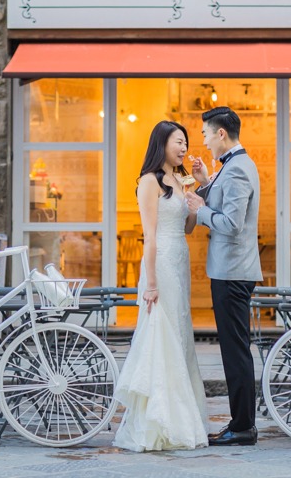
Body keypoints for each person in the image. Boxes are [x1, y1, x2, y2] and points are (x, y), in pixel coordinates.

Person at [114, 121, 209, 451]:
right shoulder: (149, 181)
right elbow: (150, 236)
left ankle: (182, 417)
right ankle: (158, 420)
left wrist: (196, 192)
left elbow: (188, 228)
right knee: (161, 334)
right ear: (161, 143)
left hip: (179, 259)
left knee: (180, 333)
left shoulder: (179, 179)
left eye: (185, 142)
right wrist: (150, 283)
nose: (183, 148)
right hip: (160, 263)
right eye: (177, 142)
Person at [185, 106, 262, 446]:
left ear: (220, 134)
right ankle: (241, 423)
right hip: (230, 271)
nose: (202, 140)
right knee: (234, 349)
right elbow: (225, 203)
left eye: (204, 134)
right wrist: (204, 184)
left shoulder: (237, 170)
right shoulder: (232, 166)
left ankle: (243, 426)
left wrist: (199, 212)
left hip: (232, 272)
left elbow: (231, 224)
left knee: (235, 351)